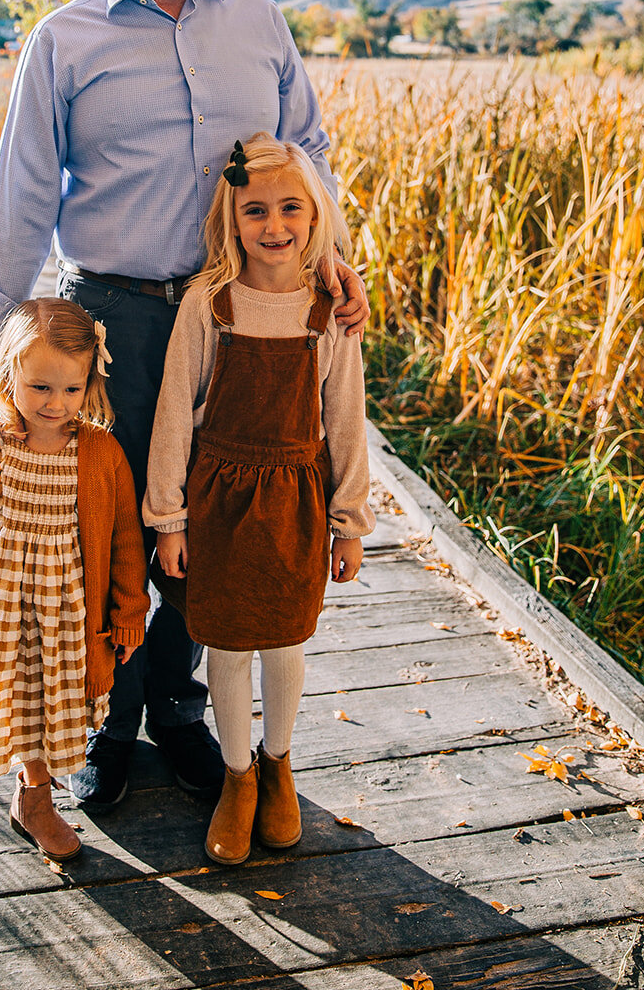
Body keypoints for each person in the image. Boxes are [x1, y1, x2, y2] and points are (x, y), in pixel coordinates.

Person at [0, 0, 370, 811]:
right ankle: (111, 723)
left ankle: (181, 713)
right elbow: (19, 205)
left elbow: (305, 143)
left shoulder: (259, 24)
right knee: (104, 530)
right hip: (104, 320)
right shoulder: (63, 39)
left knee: (211, 520)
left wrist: (330, 250)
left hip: (235, 315)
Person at [146, 133, 374, 866]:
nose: (273, 226)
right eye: (254, 211)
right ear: (230, 218)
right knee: (227, 639)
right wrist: (168, 518)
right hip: (217, 497)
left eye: (289, 209)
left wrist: (349, 525)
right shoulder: (208, 305)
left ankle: (278, 765)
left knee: (283, 638)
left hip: (295, 497)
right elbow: (176, 412)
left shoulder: (325, 309)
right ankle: (236, 779)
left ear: (315, 217)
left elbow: (344, 419)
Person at [0, 299, 148, 861]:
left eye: (71, 389)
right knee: (21, 707)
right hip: (8, 611)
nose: (55, 404)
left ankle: (39, 791)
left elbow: (126, 540)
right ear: (7, 376)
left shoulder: (100, 453)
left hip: (68, 615)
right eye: (40, 387)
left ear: (89, 381)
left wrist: (130, 610)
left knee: (57, 706)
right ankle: (35, 799)